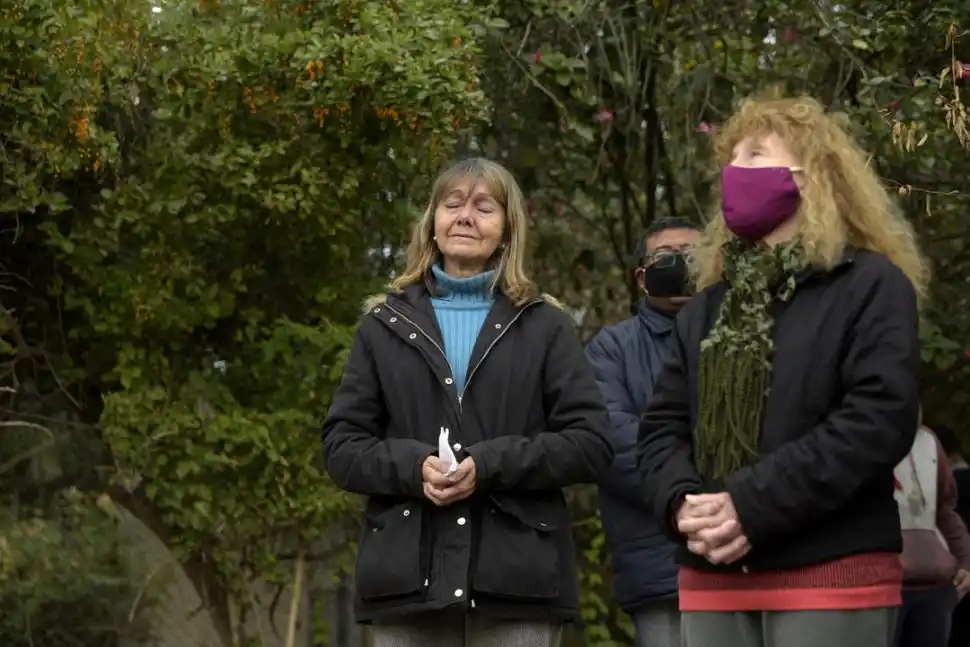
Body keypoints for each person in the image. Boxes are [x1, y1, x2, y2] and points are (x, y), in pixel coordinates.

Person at [636, 94, 930, 647]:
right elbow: (661, 430)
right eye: (732, 159)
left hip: (829, 577)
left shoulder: (869, 285)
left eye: (755, 155)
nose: (734, 172)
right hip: (711, 580)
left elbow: (879, 418)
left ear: (811, 175)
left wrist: (751, 504)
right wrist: (681, 504)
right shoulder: (706, 308)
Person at [321, 156, 613, 647]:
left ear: (507, 230)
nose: (464, 216)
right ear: (432, 223)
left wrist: (490, 463)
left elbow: (590, 443)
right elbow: (341, 446)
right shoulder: (382, 325)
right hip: (407, 579)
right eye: (452, 204)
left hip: (516, 579)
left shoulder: (546, 326)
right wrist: (415, 467)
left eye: (484, 207)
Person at [585, 218, 699, 647]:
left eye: (692, 254)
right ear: (642, 275)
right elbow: (611, 441)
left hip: (747, 551)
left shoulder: (743, 340)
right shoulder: (611, 349)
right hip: (660, 567)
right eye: (666, 255)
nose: (681, 264)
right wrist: (694, 494)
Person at [893, 419, 970, 647]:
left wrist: (967, 561)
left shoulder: (928, 440)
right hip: (883, 585)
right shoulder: (857, 435)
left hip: (937, 587)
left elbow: (946, 509)